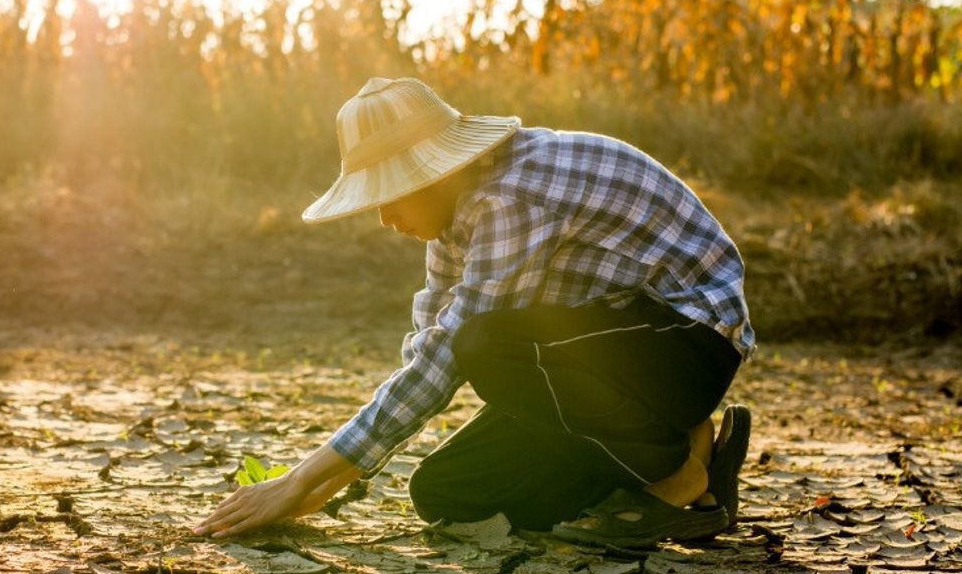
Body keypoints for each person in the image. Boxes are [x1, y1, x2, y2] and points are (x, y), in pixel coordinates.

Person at [194, 77, 755, 549]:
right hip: (610, 354)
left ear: (435, 172)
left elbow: (450, 354)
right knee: (448, 492)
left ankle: (675, 467)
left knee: (487, 346)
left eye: (392, 196)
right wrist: (333, 479)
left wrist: (299, 480)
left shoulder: (511, 196)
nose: (385, 219)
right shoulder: (455, 215)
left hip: (687, 341)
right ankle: (694, 460)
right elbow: (428, 335)